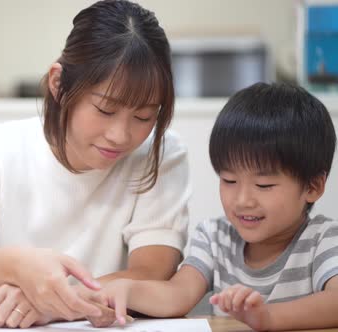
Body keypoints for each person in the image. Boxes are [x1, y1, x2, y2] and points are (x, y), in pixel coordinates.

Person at [0, 0, 191, 328]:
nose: (121, 135)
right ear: (58, 84)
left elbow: (152, 272)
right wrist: (16, 265)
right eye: (105, 110)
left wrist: (52, 301)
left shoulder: (160, 154)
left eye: (144, 116)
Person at [87, 82, 338, 331]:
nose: (242, 200)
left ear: (313, 187)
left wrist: (268, 317)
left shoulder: (323, 239)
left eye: (263, 185)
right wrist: (127, 289)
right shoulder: (215, 237)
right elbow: (177, 294)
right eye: (229, 180)